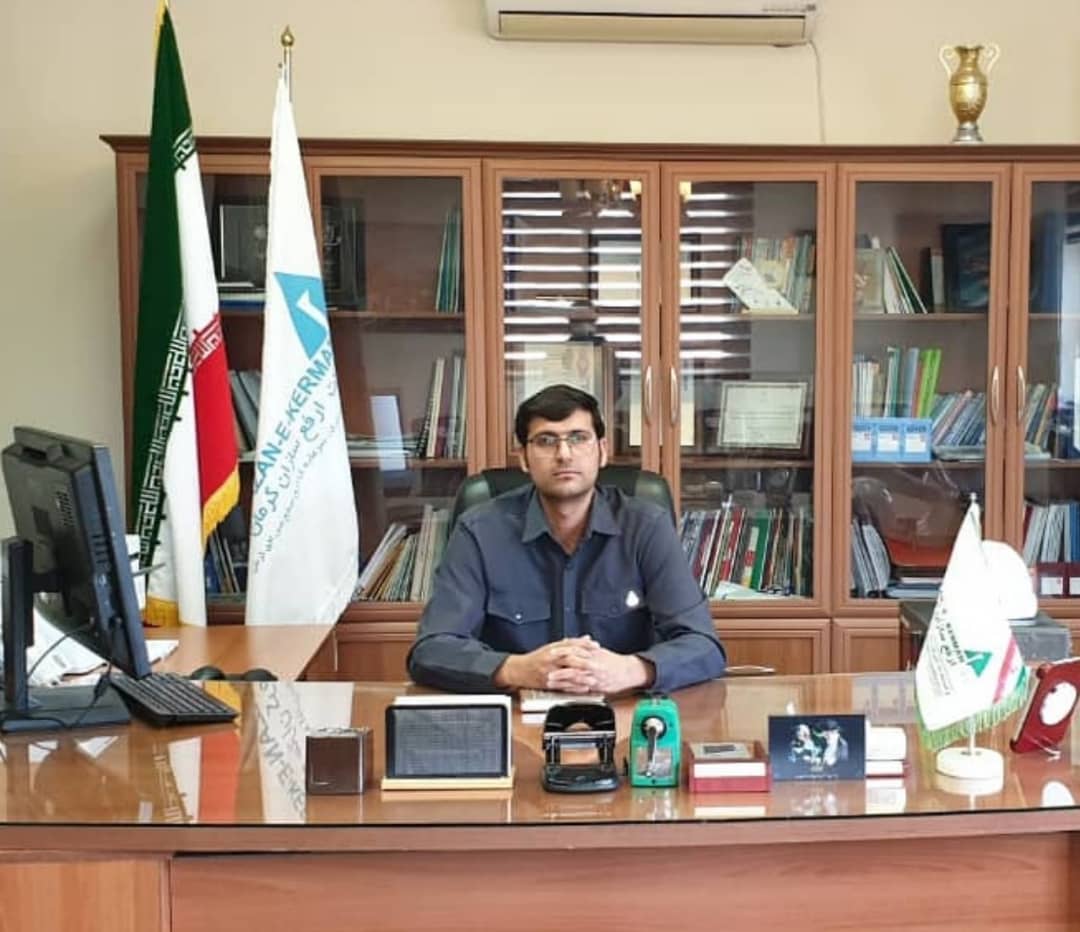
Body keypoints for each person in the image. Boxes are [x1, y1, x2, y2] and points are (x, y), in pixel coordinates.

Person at [407, 384, 726, 694]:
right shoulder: (480, 531)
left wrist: (629, 670)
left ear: (602, 451)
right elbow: (431, 650)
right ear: (524, 457)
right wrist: (518, 669)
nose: (563, 454)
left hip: (623, 714)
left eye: (578, 438)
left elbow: (704, 646)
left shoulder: (645, 527)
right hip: (515, 716)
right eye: (546, 441)